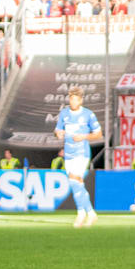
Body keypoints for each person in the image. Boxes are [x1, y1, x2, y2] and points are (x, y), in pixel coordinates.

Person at [54, 87, 102, 228]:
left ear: (80, 100)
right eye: (71, 98)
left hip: (82, 153)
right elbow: (57, 129)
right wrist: (59, 133)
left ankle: (81, 214)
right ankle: (91, 213)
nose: (73, 101)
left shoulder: (88, 114)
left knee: (75, 181)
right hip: (68, 154)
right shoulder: (64, 113)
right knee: (77, 184)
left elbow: (98, 134)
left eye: (75, 99)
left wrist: (84, 136)